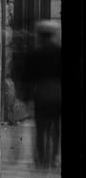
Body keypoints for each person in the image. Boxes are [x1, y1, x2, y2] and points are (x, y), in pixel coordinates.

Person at [22, 20, 62, 169]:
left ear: (40, 35)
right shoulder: (59, 51)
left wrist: (26, 98)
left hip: (42, 94)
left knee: (40, 128)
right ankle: (53, 158)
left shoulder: (34, 53)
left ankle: (41, 159)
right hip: (58, 93)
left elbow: (27, 77)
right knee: (56, 127)